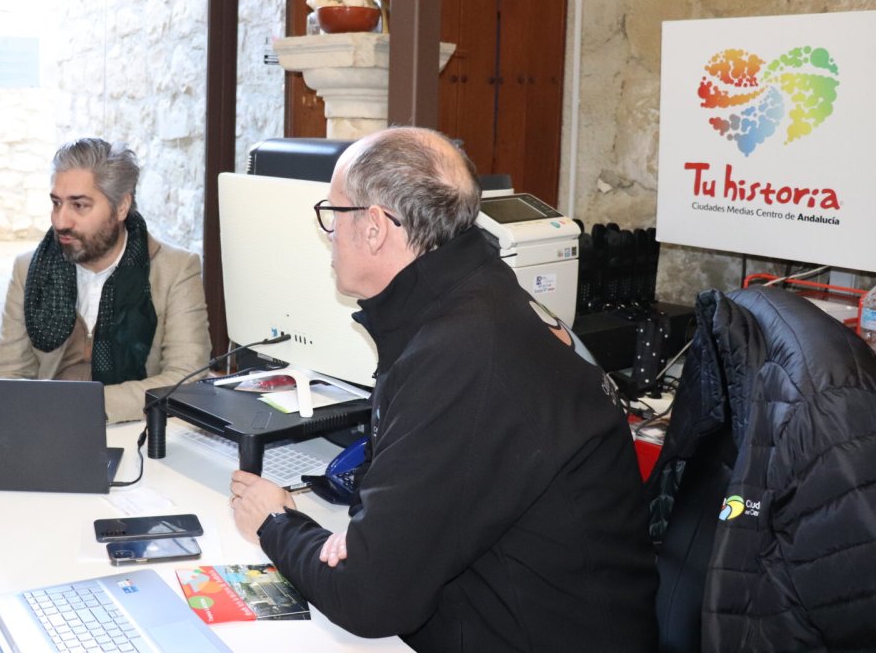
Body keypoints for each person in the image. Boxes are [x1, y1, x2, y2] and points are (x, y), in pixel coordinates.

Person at [229, 127, 658, 651]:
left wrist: (276, 522)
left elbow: (368, 597)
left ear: (375, 228)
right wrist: (374, 533)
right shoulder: (475, 298)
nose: (329, 234)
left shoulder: (461, 354)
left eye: (333, 214)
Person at [0, 138, 211, 422]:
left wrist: (78, 405)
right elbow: (5, 376)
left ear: (121, 207)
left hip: (137, 430)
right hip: (45, 428)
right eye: (57, 203)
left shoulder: (176, 270)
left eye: (79, 206)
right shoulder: (29, 269)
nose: (60, 221)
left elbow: (185, 381)